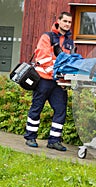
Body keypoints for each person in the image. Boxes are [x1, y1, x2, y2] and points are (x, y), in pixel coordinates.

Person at [24, 11, 75, 151]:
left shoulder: (70, 42)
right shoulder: (47, 37)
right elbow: (43, 58)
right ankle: (30, 137)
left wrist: (65, 79)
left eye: (69, 22)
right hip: (43, 80)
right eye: (65, 21)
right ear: (59, 21)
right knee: (37, 108)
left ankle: (54, 141)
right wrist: (56, 70)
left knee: (60, 110)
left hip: (58, 83)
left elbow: (68, 61)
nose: (67, 24)